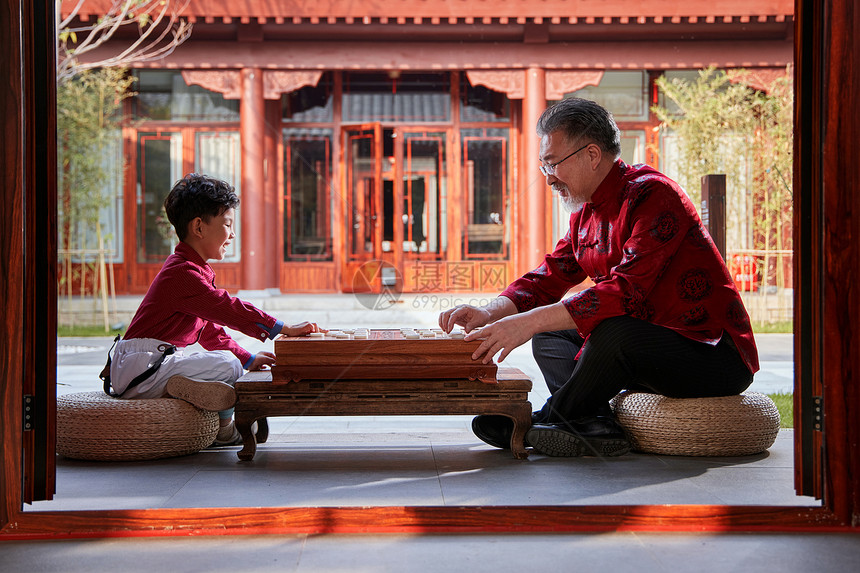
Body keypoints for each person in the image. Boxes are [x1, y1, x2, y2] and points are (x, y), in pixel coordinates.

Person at [439, 98, 759, 458]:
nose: (548, 178)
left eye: (553, 163)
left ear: (592, 155)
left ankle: (543, 420)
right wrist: (490, 311)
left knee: (613, 330)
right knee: (551, 334)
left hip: (713, 354)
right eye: (544, 166)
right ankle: (593, 424)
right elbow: (549, 276)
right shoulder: (584, 214)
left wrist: (526, 322)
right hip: (646, 348)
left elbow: (626, 293)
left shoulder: (653, 195)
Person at [106, 173, 323, 446]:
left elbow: (209, 330)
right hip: (143, 369)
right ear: (199, 227)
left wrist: (247, 358)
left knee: (230, 363)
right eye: (228, 225)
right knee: (226, 366)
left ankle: (188, 391)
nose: (232, 234)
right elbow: (227, 307)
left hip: (145, 366)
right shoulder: (182, 273)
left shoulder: (188, 269)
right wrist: (282, 328)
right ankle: (224, 428)